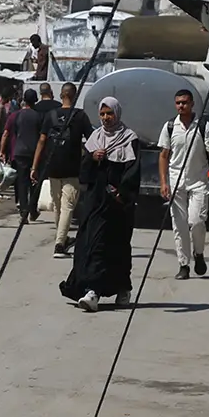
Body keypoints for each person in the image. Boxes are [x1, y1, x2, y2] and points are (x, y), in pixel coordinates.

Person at [58, 96, 140, 312]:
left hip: (118, 204)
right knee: (92, 244)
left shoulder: (130, 139)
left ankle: (122, 288)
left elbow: (133, 173)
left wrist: (123, 194)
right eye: (102, 114)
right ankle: (91, 290)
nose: (106, 118)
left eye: (109, 113)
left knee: (117, 247)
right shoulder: (95, 138)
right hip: (95, 202)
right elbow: (84, 173)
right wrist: (92, 157)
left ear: (117, 113)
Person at [158, 88, 209, 280]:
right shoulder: (169, 127)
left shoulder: (203, 126)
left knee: (197, 221)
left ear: (192, 104)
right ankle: (183, 264)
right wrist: (164, 182)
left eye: (184, 102)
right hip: (176, 182)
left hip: (198, 182)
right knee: (179, 226)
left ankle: (198, 253)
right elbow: (164, 156)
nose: (181, 106)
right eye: (178, 103)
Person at [34, 82, 94, 258]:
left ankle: (63, 237)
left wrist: (35, 166)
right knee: (68, 206)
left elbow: (42, 141)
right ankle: (60, 245)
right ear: (74, 96)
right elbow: (91, 140)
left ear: (61, 95)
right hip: (72, 167)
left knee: (58, 205)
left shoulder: (51, 115)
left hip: (52, 166)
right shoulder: (80, 115)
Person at [0, 88, 48, 224]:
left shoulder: (15, 115)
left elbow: (6, 134)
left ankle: (23, 212)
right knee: (34, 181)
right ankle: (32, 209)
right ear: (35, 101)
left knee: (22, 182)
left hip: (18, 152)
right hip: (34, 153)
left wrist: (2, 151)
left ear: (24, 101)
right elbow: (43, 138)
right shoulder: (39, 116)